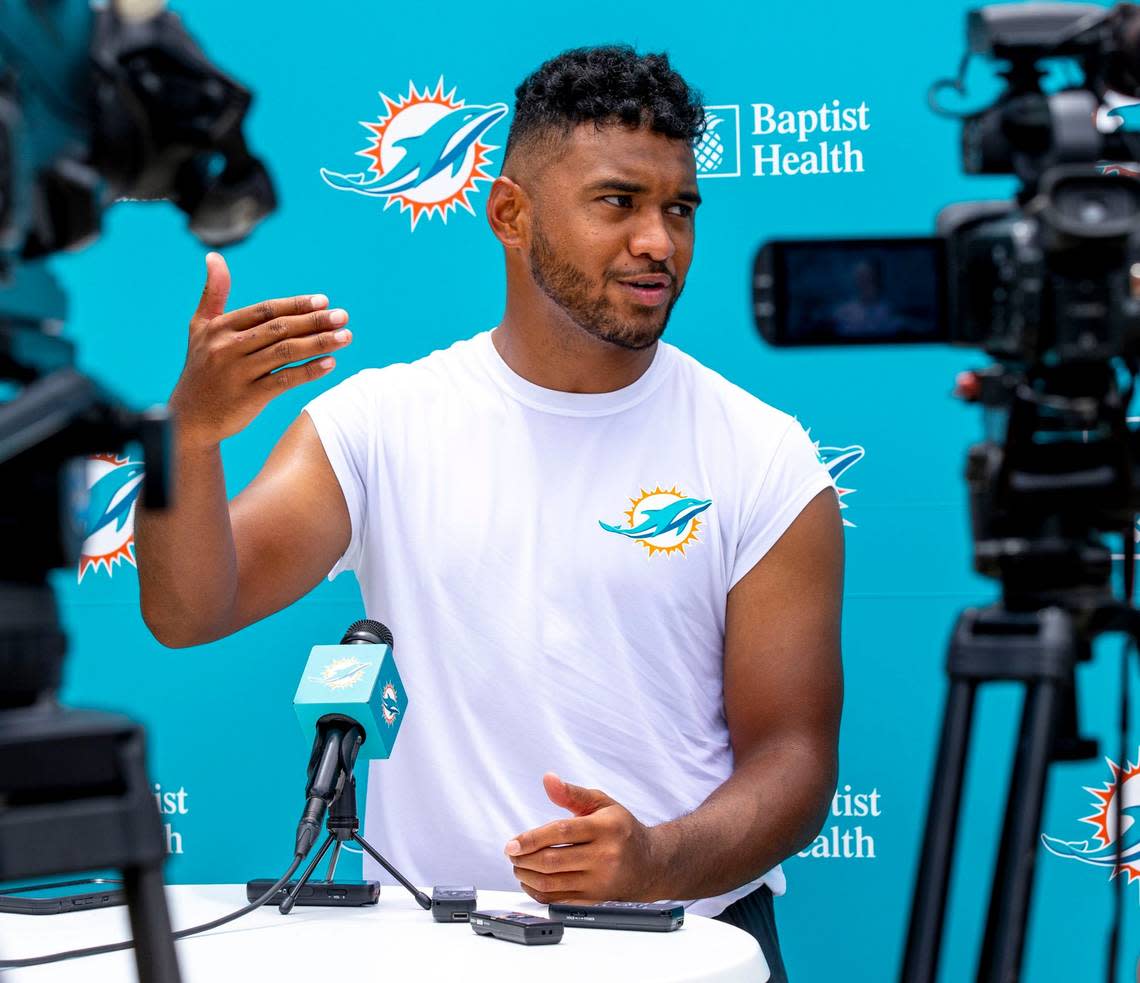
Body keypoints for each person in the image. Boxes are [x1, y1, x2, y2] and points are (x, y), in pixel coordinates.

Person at [135, 46, 844, 981]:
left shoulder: (764, 455)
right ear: (509, 213)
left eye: (679, 209)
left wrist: (652, 860)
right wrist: (187, 439)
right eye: (617, 202)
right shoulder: (378, 425)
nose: (659, 242)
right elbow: (189, 611)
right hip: (432, 950)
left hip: (686, 947)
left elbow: (794, 758)